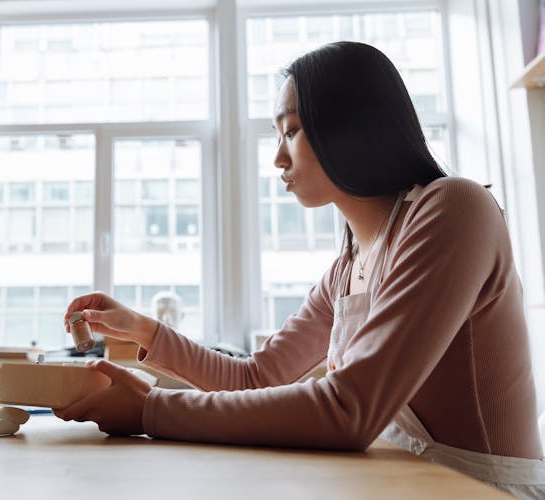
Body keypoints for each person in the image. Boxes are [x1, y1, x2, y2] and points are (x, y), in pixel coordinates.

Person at [57, 41, 545, 498]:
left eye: (291, 130)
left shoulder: (453, 209)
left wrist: (150, 409)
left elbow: (348, 410)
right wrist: (145, 329)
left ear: (349, 125)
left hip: (480, 489)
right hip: (403, 479)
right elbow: (255, 378)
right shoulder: (345, 268)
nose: (277, 157)